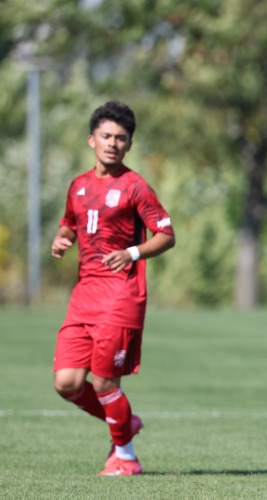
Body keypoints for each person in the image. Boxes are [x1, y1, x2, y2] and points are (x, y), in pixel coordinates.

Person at [51, 101, 176, 476]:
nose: (113, 143)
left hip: (120, 296)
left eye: (121, 138)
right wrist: (62, 239)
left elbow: (166, 236)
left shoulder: (136, 187)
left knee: (105, 382)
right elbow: (69, 224)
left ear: (129, 145)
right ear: (92, 140)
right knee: (67, 383)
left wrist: (133, 252)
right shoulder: (79, 186)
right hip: (84, 296)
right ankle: (124, 422)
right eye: (106, 136)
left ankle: (126, 457)